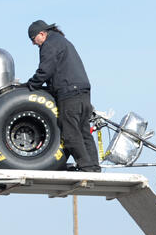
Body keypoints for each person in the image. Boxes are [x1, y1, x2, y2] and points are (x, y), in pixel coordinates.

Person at [25, 20, 100, 173]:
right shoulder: (62, 41)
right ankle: (94, 167)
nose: (34, 44)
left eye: (33, 39)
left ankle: (86, 168)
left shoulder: (49, 44)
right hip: (84, 92)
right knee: (84, 132)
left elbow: (45, 70)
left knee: (70, 134)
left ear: (41, 34)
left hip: (69, 94)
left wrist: (30, 86)